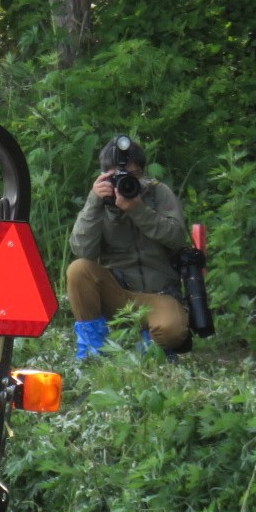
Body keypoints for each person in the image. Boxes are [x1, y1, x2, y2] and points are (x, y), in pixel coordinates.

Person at [67, 134, 191, 359]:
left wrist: (138, 209)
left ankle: (145, 349)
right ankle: (94, 348)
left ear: (143, 173)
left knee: (171, 330)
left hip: (159, 295)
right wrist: (95, 202)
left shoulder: (158, 193)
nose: (125, 181)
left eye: (133, 175)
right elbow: (83, 250)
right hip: (118, 294)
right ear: (105, 176)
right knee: (78, 269)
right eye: (117, 176)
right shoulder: (99, 201)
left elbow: (176, 237)